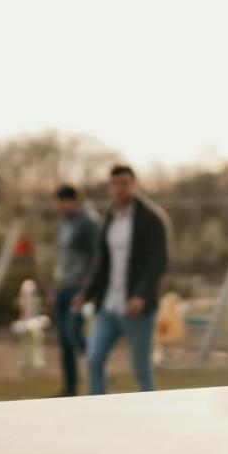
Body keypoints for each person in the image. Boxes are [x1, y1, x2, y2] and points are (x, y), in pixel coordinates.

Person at [74, 165, 170, 395]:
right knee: (94, 359)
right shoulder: (111, 218)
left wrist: (141, 295)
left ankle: (152, 417)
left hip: (136, 309)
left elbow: (158, 263)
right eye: (115, 184)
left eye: (125, 183)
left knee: (141, 370)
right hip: (109, 306)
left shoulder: (151, 219)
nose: (120, 188)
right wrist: (85, 294)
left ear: (134, 185)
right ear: (110, 187)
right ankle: (100, 410)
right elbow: (102, 262)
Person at [51, 184, 100, 396]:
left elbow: (97, 257)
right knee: (64, 340)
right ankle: (70, 388)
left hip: (78, 289)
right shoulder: (62, 223)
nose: (60, 206)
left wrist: (89, 290)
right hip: (62, 287)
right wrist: (55, 289)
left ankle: (97, 370)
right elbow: (62, 259)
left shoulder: (88, 222)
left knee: (73, 334)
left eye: (63, 201)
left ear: (74, 201)